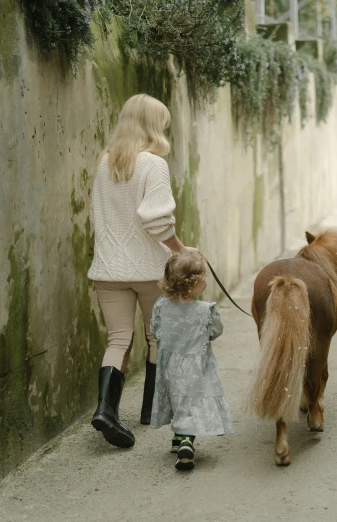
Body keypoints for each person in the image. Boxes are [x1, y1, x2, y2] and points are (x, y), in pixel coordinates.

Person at [88, 94, 197, 449]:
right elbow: (156, 220)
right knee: (155, 337)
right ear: (152, 125)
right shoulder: (153, 164)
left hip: (107, 269)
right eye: (162, 123)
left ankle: (106, 411)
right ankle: (150, 409)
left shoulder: (104, 163)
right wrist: (183, 251)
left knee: (118, 340)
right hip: (149, 269)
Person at [149, 251, 233, 471]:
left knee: (178, 399)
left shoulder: (160, 306)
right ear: (192, 284)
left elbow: (155, 330)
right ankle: (187, 441)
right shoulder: (205, 311)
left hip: (169, 365)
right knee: (192, 401)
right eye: (203, 278)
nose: (206, 281)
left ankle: (177, 438)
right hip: (197, 366)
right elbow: (216, 331)